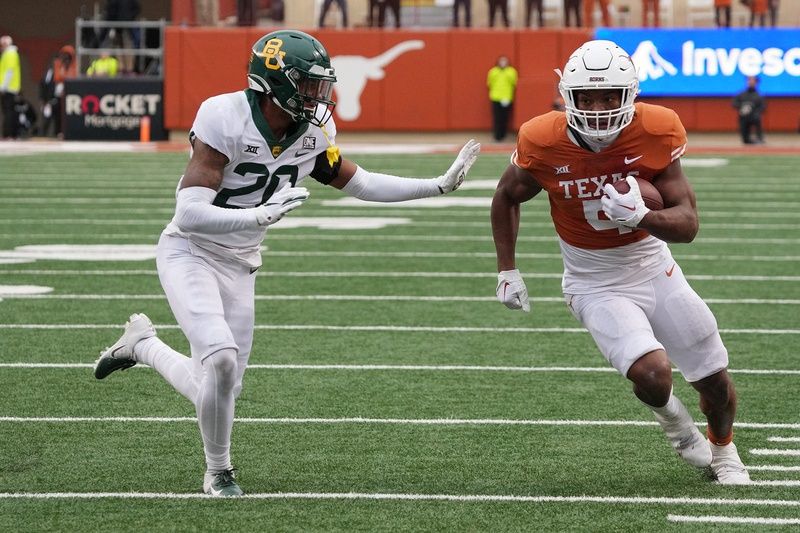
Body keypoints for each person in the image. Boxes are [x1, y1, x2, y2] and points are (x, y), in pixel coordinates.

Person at [94, 29, 480, 497]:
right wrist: (257, 214)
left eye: (322, 85)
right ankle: (218, 471)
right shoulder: (224, 116)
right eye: (309, 85)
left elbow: (359, 183)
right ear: (274, 82)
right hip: (190, 250)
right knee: (218, 362)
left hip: (240, 262)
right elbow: (187, 211)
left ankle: (143, 346)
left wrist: (435, 186)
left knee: (219, 388)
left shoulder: (312, 132)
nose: (319, 96)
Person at [490, 39, 750, 485]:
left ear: (631, 93)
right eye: (587, 97)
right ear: (567, 97)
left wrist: (644, 217)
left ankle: (724, 450)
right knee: (653, 372)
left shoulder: (657, 127)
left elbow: (687, 225)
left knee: (716, 383)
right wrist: (507, 268)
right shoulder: (542, 138)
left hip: (654, 266)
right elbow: (507, 196)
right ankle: (677, 425)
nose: (598, 107)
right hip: (594, 280)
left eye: (610, 95)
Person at [487, 55, 518, 142]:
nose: (503, 63)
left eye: (504, 61)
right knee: (497, 117)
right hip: (496, 97)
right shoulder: (493, 71)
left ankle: (503, 135)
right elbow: (489, 83)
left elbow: (514, 82)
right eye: (501, 61)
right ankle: (497, 136)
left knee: (505, 117)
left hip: (507, 98)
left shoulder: (511, 71)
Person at [732, 76, 765, 145]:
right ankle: (749, 140)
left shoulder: (759, 95)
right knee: (745, 140)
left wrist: (754, 111)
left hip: (754, 117)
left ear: (756, 83)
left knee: (757, 120)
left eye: (753, 81)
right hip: (744, 117)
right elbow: (734, 103)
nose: (750, 82)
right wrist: (742, 107)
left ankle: (759, 138)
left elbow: (763, 107)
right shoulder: (741, 94)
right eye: (749, 81)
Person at [0, 35, 22, 139]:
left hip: (9, 88)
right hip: (9, 87)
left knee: (9, 112)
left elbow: (9, 72)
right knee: (8, 111)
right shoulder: (8, 54)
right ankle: (10, 134)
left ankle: (9, 134)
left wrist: (3, 86)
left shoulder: (10, 54)